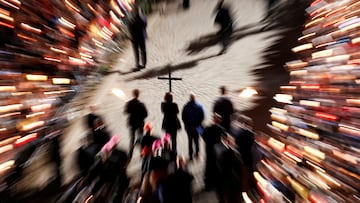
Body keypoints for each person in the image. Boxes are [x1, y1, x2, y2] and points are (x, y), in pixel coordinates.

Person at [201, 113, 225, 190]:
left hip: (208, 149)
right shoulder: (221, 129)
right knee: (216, 166)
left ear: (213, 120)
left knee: (208, 165)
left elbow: (203, 136)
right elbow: (223, 141)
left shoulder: (207, 128)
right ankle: (215, 183)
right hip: (217, 150)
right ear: (219, 121)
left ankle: (208, 183)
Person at [124, 89, 148, 157]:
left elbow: (126, 112)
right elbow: (146, 115)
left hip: (131, 123)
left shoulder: (129, 103)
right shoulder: (141, 104)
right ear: (138, 95)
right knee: (140, 138)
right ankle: (142, 153)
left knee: (132, 138)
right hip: (140, 124)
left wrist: (128, 106)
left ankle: (130, 154)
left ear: (133, 94)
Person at [181, 93, 205, 160]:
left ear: (190, 98)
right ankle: (197, 154)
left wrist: (186, 124)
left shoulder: (186, 107)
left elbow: (183, 117)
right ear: (195, 98)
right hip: (197, 127)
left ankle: (190, 155)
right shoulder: (199, 106)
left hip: (189, 127)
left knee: (190, 140)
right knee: (197, 140)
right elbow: (202, 117)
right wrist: (198, 124)